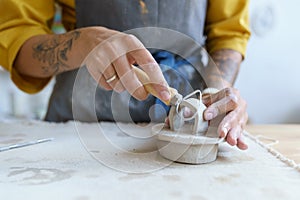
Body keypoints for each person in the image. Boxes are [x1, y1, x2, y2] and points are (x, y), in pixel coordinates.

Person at [0, 0, 251, 150]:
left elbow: (228, 33)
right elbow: (17, 41)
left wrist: (216, 89)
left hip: (187, 127)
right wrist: (83, 42)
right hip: (80, 123)